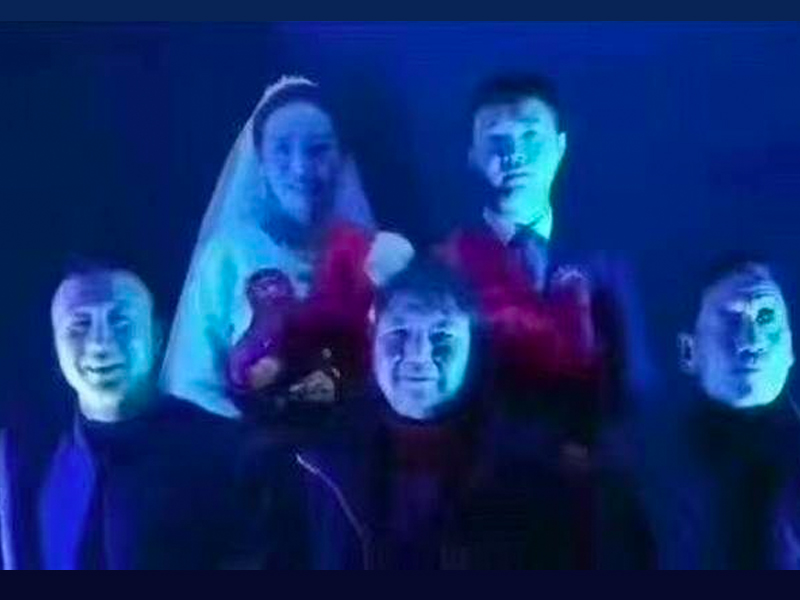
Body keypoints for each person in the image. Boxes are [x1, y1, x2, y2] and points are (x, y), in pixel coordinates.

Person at [162, 75, 413, 419]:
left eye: (318, 149)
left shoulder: (381, 255)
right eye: (282, 150)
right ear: (261, 162)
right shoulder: (229, 256)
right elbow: (194, 381)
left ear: (341, 157)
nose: (301, 168)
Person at [0, 261, 260, 569]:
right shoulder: (30, 462)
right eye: (79, 325)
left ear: (157, 336)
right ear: (56, 345)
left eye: (120, 321)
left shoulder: (228, 455)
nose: (100, 343)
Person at [642, 258, 800, 569]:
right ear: (689, 351)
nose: (751, 340)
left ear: (791, 346)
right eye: (731, 319)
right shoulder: (646, 472)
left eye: (766, 317)